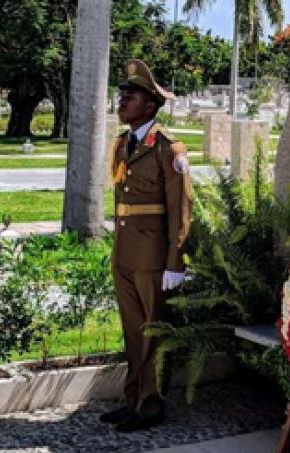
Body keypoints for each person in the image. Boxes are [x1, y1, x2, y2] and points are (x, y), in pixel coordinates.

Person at [100, 59, 192, 432]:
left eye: (130, 96)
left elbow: (181, 208)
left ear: (150, 106)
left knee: (154, 330)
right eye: (122, 94)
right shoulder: (124, 143)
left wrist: (176, 260)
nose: (122, 101)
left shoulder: (168, 148)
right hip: (125, 253)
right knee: (132, 330)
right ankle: (133, 398)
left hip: (154, 257)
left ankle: (151, 405)